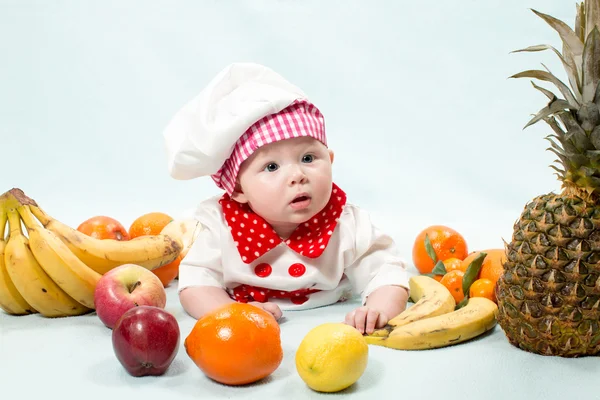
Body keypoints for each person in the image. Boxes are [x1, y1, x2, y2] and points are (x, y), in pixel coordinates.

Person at [163, 62, 410, 334]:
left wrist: (378, 309)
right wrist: (230, 312)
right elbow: (196, 283)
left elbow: (385, 272)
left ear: (330, 160)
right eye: (271, 167)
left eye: (308, 158)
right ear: (237, 189)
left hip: (329, 327)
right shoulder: (221, 227)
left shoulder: (347, 223)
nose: (297, 175)